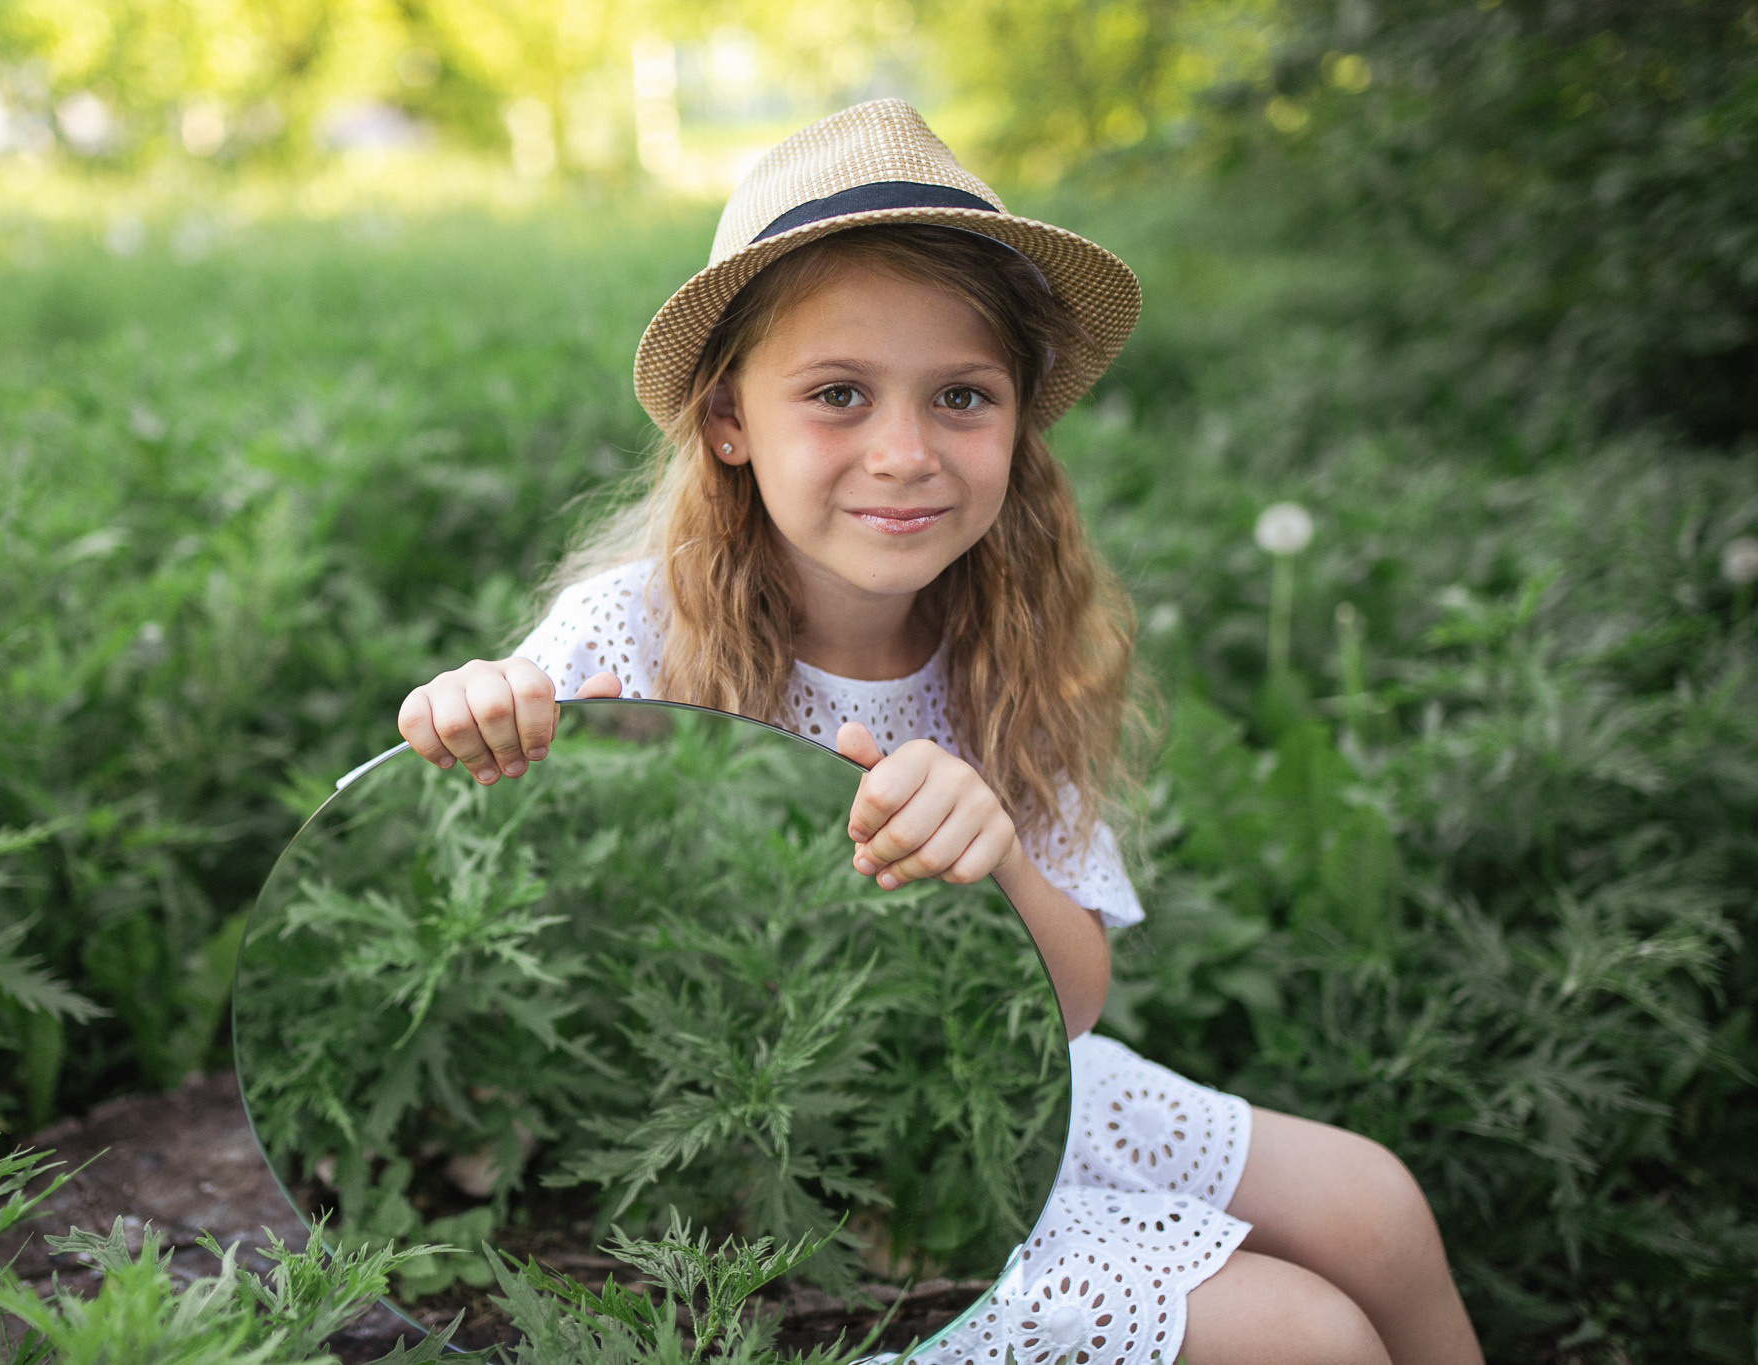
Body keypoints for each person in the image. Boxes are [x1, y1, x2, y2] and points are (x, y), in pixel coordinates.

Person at [396, 99, 1483, 1365]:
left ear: (1018, 426)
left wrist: (998, 856)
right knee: (1307, 1337)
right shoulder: (631, 640)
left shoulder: (1014, 648)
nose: (904, 453)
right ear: (728, 422)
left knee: (1374, 1206)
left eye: (961, 396)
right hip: (772, 1162)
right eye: (839, 394)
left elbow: (1072, 1002)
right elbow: (488, 880)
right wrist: (473, 715)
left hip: (998, 1076)